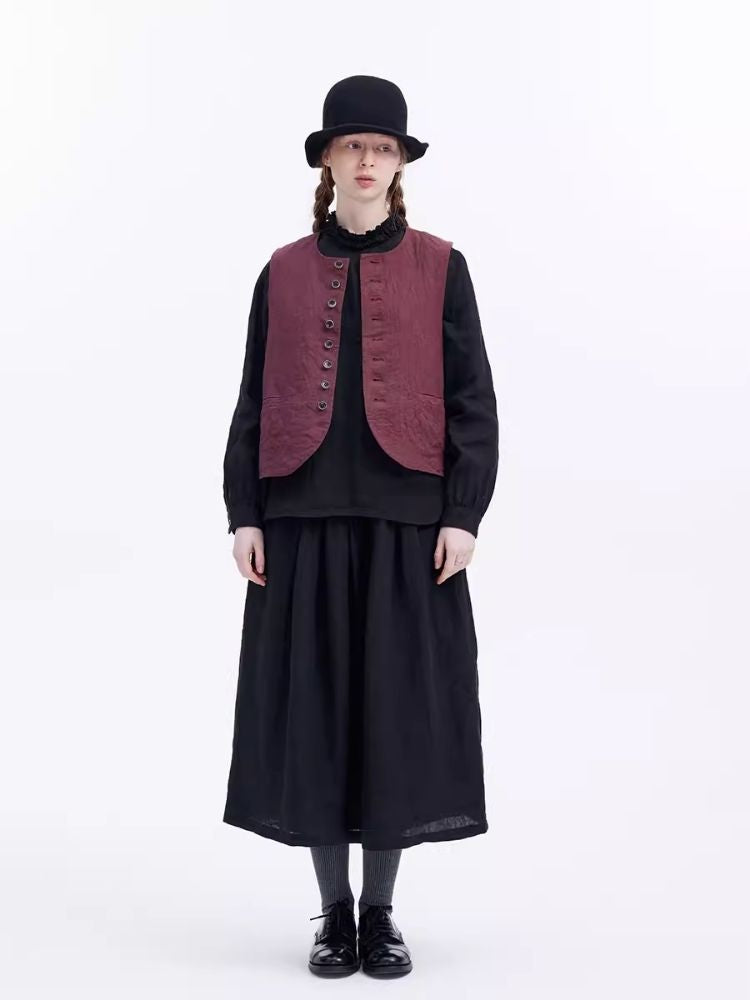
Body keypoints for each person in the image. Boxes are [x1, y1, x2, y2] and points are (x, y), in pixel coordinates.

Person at [222, 75, 499, 978]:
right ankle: (332, 914)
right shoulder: (281, 270)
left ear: (401, 163)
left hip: (408, 526)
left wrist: (463, 513)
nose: (369, 160)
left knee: (394, 721)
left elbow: (473, 400)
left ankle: (380, 914)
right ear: (328, 161)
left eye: (384, 147)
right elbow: (253, 398)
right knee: (315, 720)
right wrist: (244, 513)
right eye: (354, 146)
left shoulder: (443, 266)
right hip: (300, 520)